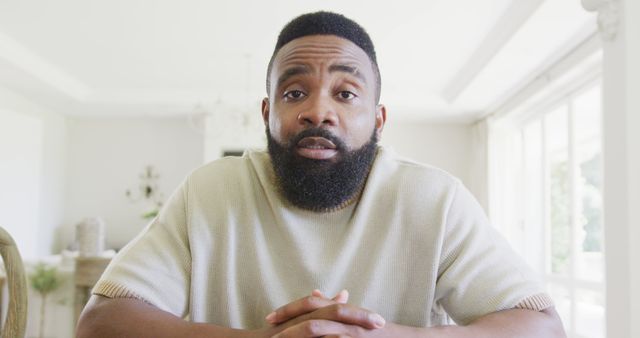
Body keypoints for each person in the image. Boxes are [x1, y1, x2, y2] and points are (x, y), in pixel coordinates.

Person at [77, 11, 566, 338]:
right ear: (267, 113)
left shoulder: (433, 199)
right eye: (294, 93)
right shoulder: (210, 191)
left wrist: (379, 334)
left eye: (346, 93)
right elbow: (100, 322)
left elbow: (543, 326)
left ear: (378, 117)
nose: (318, 112)